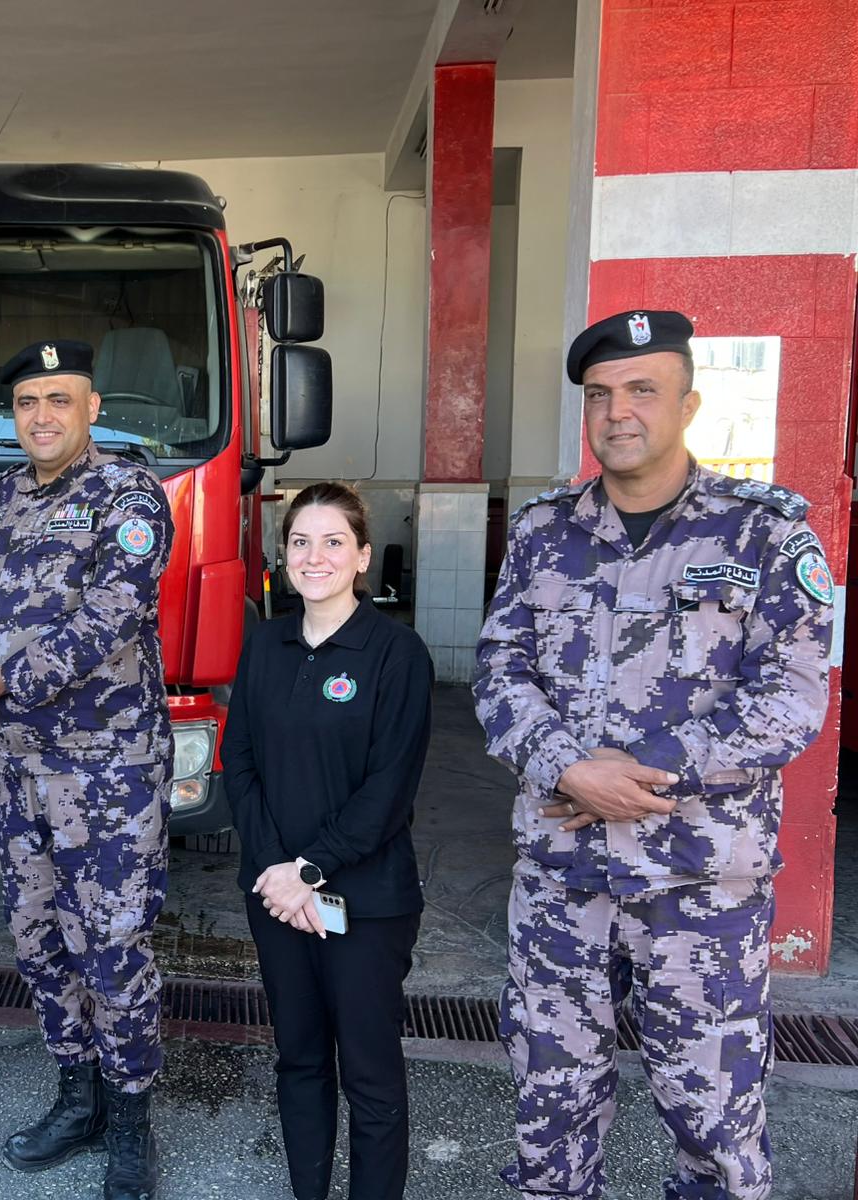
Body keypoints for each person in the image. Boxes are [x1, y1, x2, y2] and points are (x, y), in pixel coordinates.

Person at [474, 310, 833, 1200]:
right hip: (562, 878)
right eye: (600, 394)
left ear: (689, 404)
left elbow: (791, 697)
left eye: (642, 390)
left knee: (714, 1119)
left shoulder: (764, 534)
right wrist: (568, 768)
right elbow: (500, 671)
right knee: (550, 1106)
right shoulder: (543, 532)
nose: (618, 412)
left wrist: (636, 775)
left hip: (699, 884)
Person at [0, 339, 174, 1200]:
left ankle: (130, 1120)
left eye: (59, 399)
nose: (42, 416)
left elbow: (110, 617)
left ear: (92, 408)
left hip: (106, 769)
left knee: (113, 944)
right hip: (19, 764)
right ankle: (78, 1097)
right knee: (38, 937)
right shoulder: (5, 494)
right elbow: (5, 597)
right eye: (28, 401)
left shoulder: (128, 494)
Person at [222, 482, 432, 1200]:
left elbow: (388, 789)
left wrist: (309, 869)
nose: (316, 557)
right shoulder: (265, 644)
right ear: (283, 556)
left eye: (334, 542)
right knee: (300, 1060)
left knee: (369, 1074)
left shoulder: (395, 653)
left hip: (366, 903)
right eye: (301, 542)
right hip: (277, 899)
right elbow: (240, 763)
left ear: (363, 556)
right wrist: (276, 874)